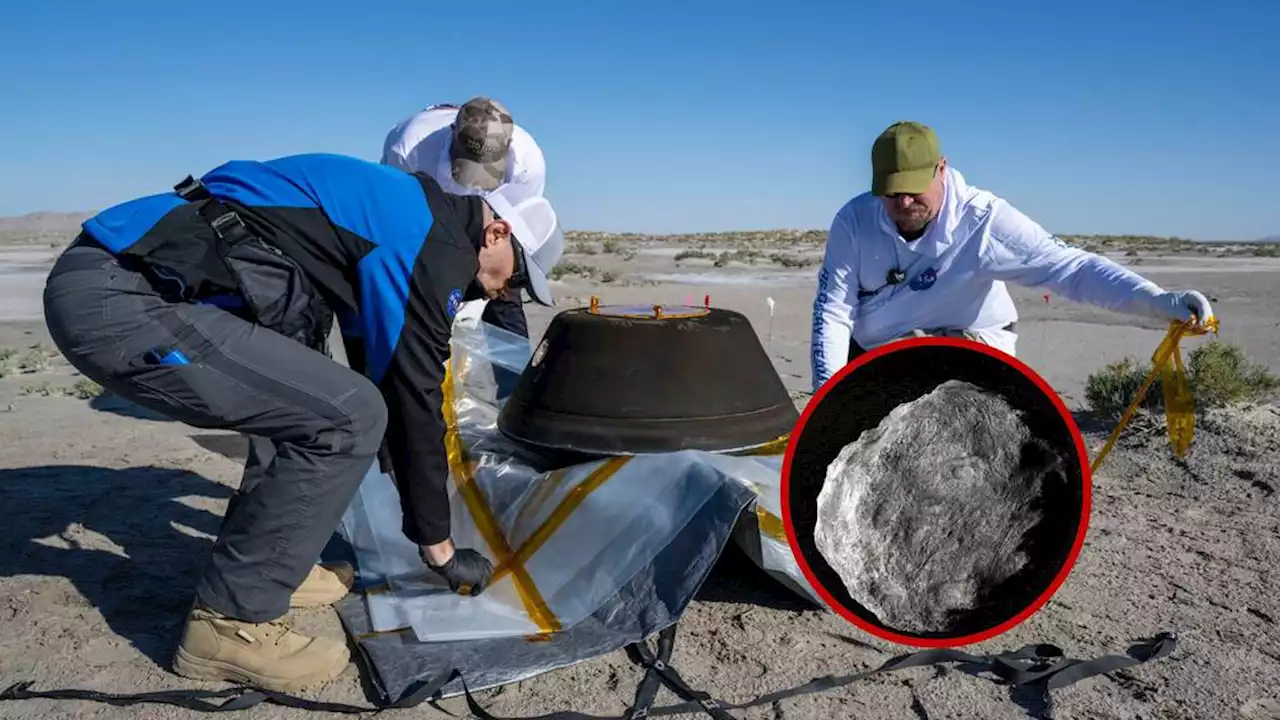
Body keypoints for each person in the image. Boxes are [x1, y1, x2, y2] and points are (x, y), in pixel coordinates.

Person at [41, 152, 564, 692]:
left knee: (313, 398)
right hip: (122, 298)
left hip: (128, 280)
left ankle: (268, 566)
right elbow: (411, 394)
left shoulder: (412, 215)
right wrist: (438, 546)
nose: (507, 292)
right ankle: (230, 623)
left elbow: (381, 364)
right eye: (516, 277)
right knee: (348, 416)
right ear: (496, 231)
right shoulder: (432, 244)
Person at [809, 121, 1215, 392]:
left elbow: (1071, 269)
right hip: (875, 348)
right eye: (892, 191)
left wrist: (1158, 301)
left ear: (942, 169)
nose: (904, 200)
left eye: (914, 187)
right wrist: (826, 395)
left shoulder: (984, 221)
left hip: (966, 348)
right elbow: (833, 312)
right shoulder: (854, 221)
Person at [381, 97, 547, 348]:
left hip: (490, 232)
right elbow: (400, 221)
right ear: (452, 136)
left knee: (504, 295)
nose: (473, 182)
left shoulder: (528, 162)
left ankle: (515, 384)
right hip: (427, 221)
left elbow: (519, 230)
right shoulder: (409, 146)